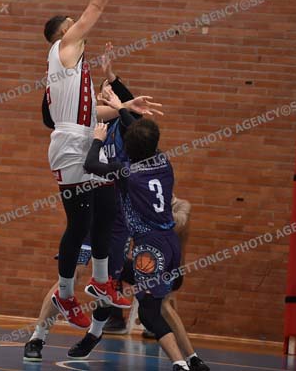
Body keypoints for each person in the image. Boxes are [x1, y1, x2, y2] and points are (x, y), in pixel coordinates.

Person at [44, 0, 159, 327]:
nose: (79, 25)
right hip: (69, 144)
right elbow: (98, 1)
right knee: (79, 223)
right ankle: (64, 295)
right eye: (71, 25)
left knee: (108, 208)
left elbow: (89, 113)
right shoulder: (65, 49)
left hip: (78, 135)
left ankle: (100, 281)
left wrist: (124, 106)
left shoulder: (71, 69)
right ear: (62, 35)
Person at [25, 63, 142, 362]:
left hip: (117, 217)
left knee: (107, 284)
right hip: (91, 205)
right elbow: (53, 118)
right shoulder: (85, 124)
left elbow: (137, 119)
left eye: (111, 91)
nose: (105, 93)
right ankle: (38, 335)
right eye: (101, 90)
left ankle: (94, 333)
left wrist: (114, 80)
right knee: (73, 272)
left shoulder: (125, 126)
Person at [83, 117, 190, 371]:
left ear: (128, 149)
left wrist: (97, 139)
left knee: (149, 315)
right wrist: (122, 108)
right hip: (170, 243)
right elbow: (144, 136)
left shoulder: (127, 173)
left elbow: (90, 164)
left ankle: (180, 364)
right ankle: (193, 358)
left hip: (150, 248)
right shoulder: (164, 161)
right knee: (143, 289)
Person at [121, 196, 211, 371]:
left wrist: (151, 208)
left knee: (159, 310)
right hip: (150, 267)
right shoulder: (145, 203)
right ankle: (192, 359)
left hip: (171, 270)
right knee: (164, 308)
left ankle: (187, 359)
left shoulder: (182, 206)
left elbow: (178, 224)